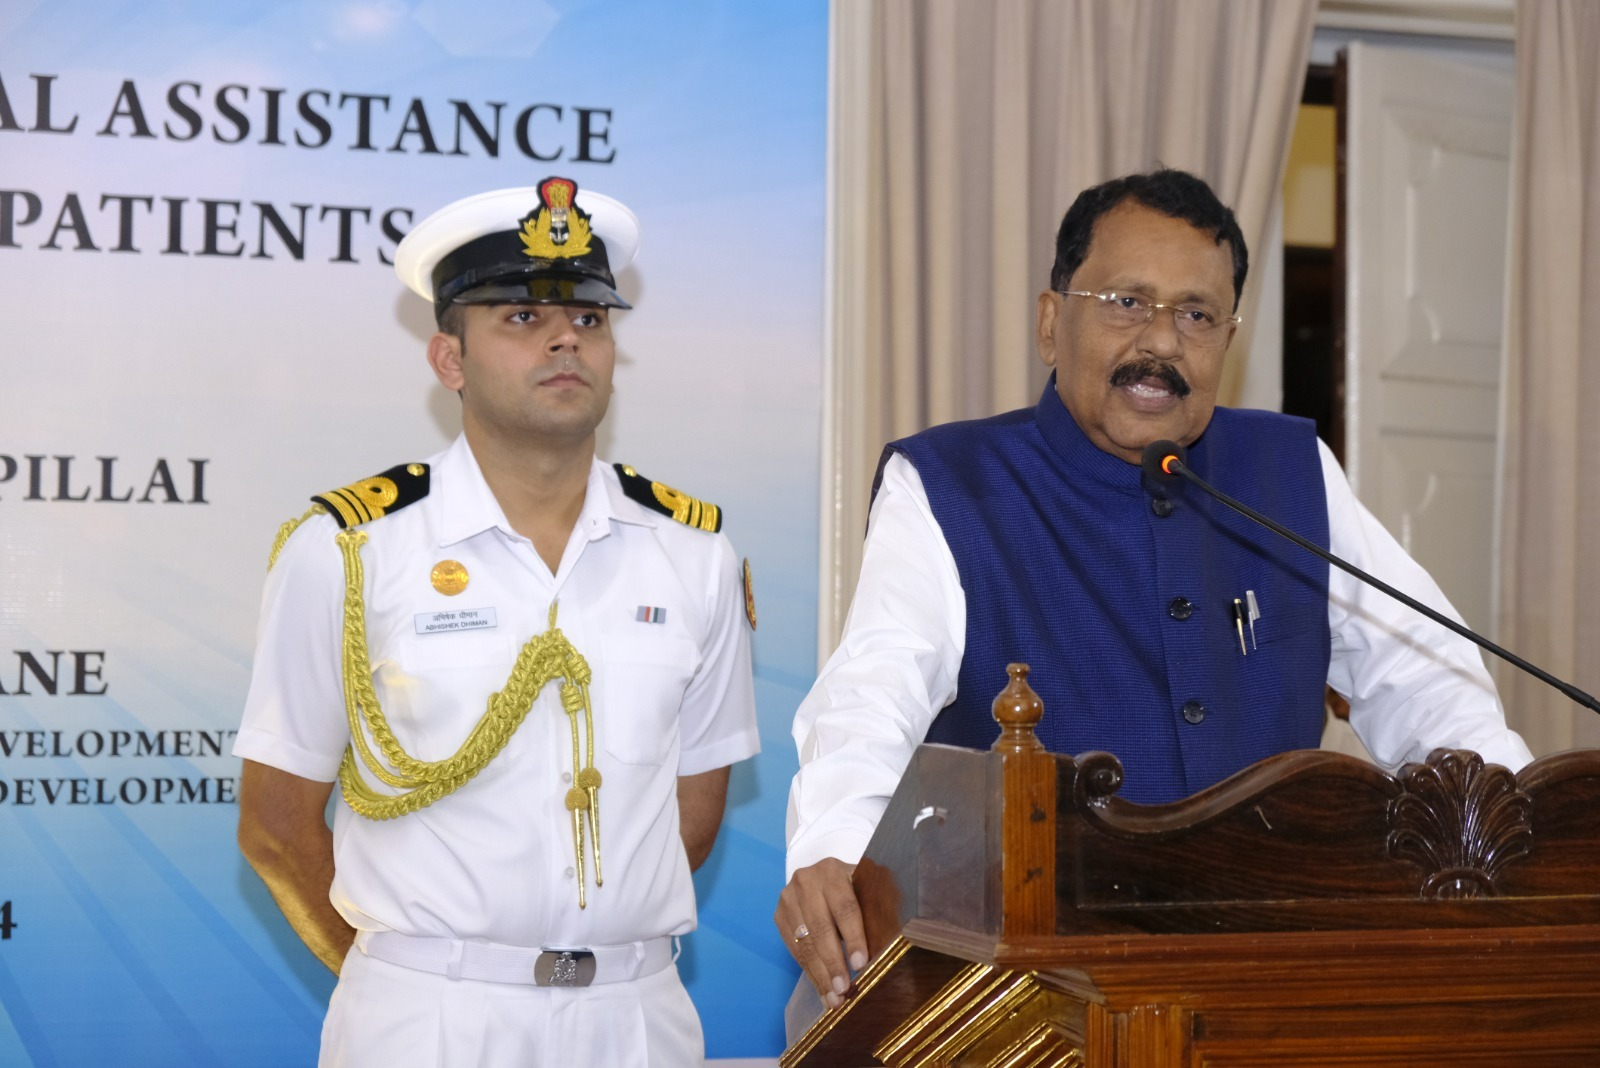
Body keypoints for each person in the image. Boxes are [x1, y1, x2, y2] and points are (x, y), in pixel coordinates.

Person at [775, 168, 1533, 1015]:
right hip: (1030, 988)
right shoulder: (952, 484)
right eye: (1127, 302)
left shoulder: (1289, 474)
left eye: (1197, 315)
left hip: (1262, 981)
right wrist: (837, 850)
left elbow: (1431, 681)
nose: (1163, 342)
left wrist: (1520, 836)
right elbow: (869, 700)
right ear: (1051, 321)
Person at [235, 175, 759, 1067]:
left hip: (637, 1021)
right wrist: (404, 971)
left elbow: (693, 809)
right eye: (521, 317)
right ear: (450, 361)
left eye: (591, 319)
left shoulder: (693, 553)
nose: (566, 338)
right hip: (428, 1022)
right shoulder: (348, 551)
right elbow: (276, 824)